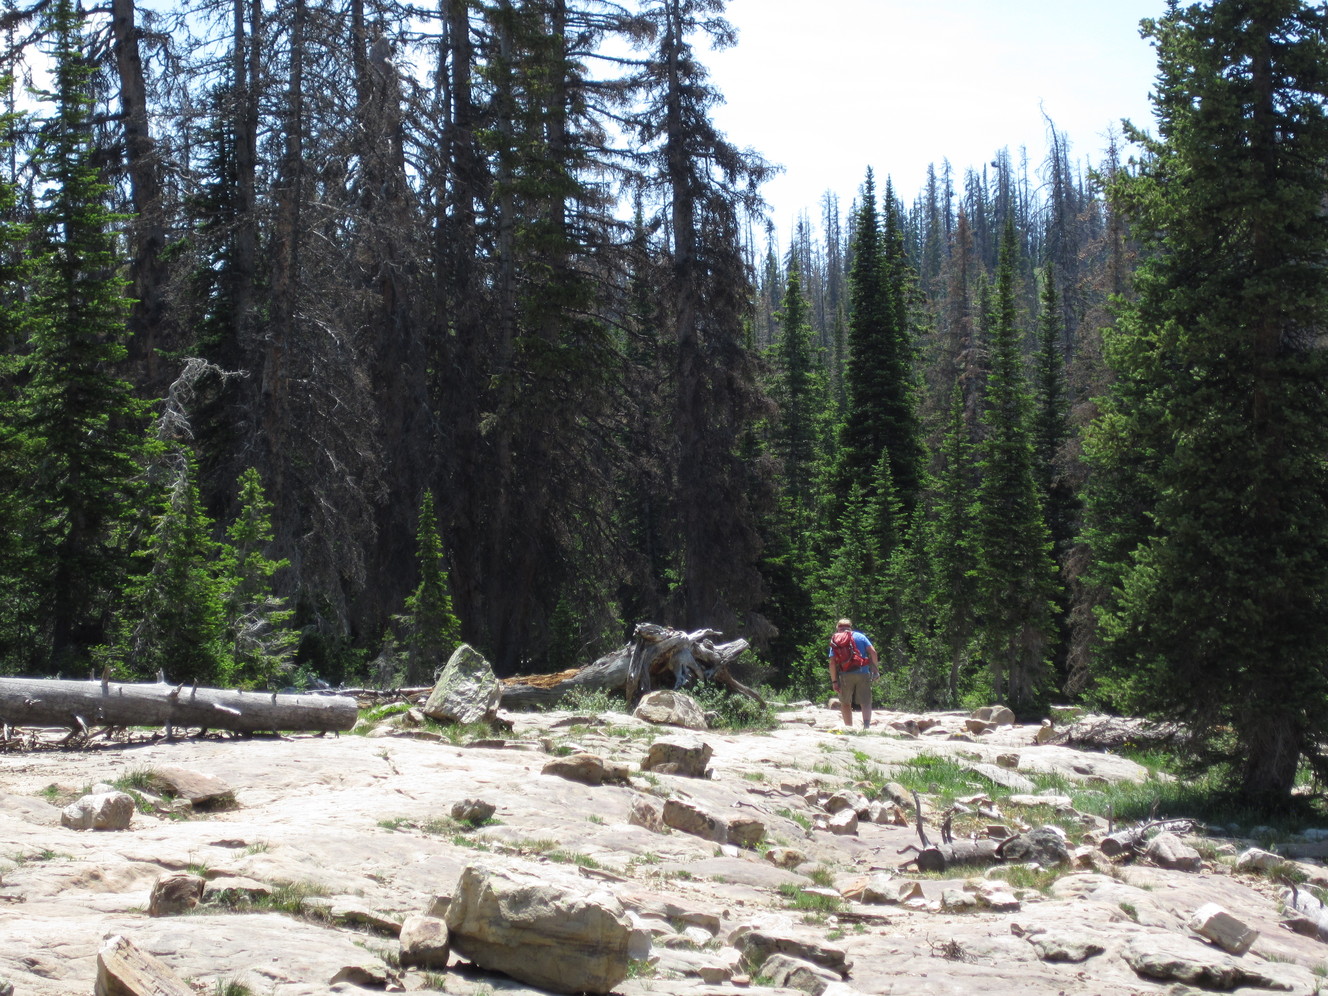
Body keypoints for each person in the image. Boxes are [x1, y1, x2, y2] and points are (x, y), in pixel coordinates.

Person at [828, 618, 879, 729]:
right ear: (850, 627)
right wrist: (875, 670)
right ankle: (866, 727)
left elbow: (832, 662)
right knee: (865, 701)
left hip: (845, 674)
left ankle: (849, 728)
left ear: (838, 628)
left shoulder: (836, 639)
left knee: (845, 702)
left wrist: (834, 681)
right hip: (863, 672)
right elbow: (873, 652)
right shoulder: (860, 636)